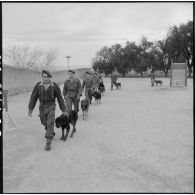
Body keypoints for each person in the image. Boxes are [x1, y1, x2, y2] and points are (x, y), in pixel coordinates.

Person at [28, 70, 67, 151]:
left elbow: (60, 98)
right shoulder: (38, 86)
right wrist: (30, 108)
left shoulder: (54, 86)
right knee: (44, 122)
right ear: (42, 77)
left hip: (51, 106)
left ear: (50, 77)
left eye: (47, 77)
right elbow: (33, 97)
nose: (45, 78)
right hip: (42, 107)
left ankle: (48, 141)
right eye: (44, 76)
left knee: (50, 122)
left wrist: (63, 110)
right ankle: (50, 131)